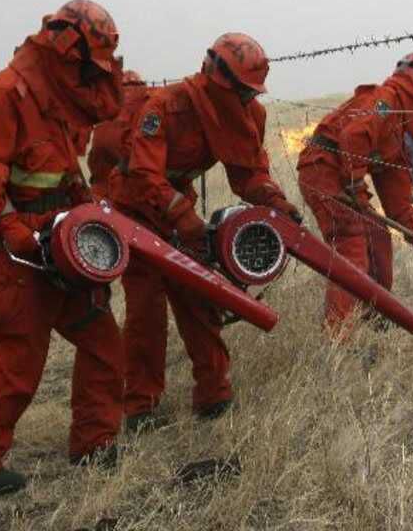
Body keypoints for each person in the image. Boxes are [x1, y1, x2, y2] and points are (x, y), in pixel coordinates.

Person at [0, 0, 125, 495]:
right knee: (19, 360)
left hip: (66, 237)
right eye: (88, 66)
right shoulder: (6, 94)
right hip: (23, 245)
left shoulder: (65, 96)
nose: (93, 76)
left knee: (102, 342)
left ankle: (95, 443)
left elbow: (68, 159)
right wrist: (7, 226)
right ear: (65, 49)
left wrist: (85, 208)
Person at [109, 33, 300, 429]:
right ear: (218, 80)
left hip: (179, 211)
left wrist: (275, 202)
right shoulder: (164, 107)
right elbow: (144, 173)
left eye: (252, 94)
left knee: (200, 298)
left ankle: (213, 395)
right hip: (138, 213)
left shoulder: (246, 115)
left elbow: (248, 174)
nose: (248, 101)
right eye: (243, 93)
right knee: (146, 312)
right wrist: (181, 215)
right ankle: (140, 406)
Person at [296, 51, 413, 335]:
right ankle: (338, 339)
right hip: (323, 172)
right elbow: (354, 136)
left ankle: (372, 321)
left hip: (339, 179)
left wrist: (411, 229)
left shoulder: (395, 128)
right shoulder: (386, 103)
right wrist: (354, 184)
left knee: (377, 234)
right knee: (351, 247)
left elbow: (395, 189)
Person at [87, 69, 149, 198]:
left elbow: (95, 157)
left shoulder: (105, 109)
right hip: (132, 195)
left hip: (101, 193)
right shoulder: (147, 106)